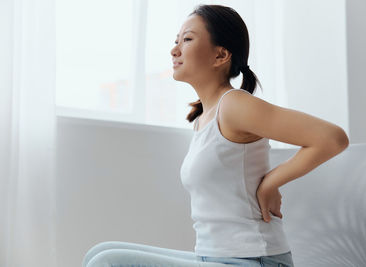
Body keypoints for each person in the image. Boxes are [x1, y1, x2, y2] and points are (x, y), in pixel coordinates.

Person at [82, 4, 349, 267]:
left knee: (107, 262)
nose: (174, 49)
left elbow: (332, 138)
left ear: (220, 55)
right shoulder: (203, 119)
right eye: (176, 40)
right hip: (211, 256)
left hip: (253, 259)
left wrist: (270, 182)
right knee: (101, 252)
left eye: (187, 39)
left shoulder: (234, 105)